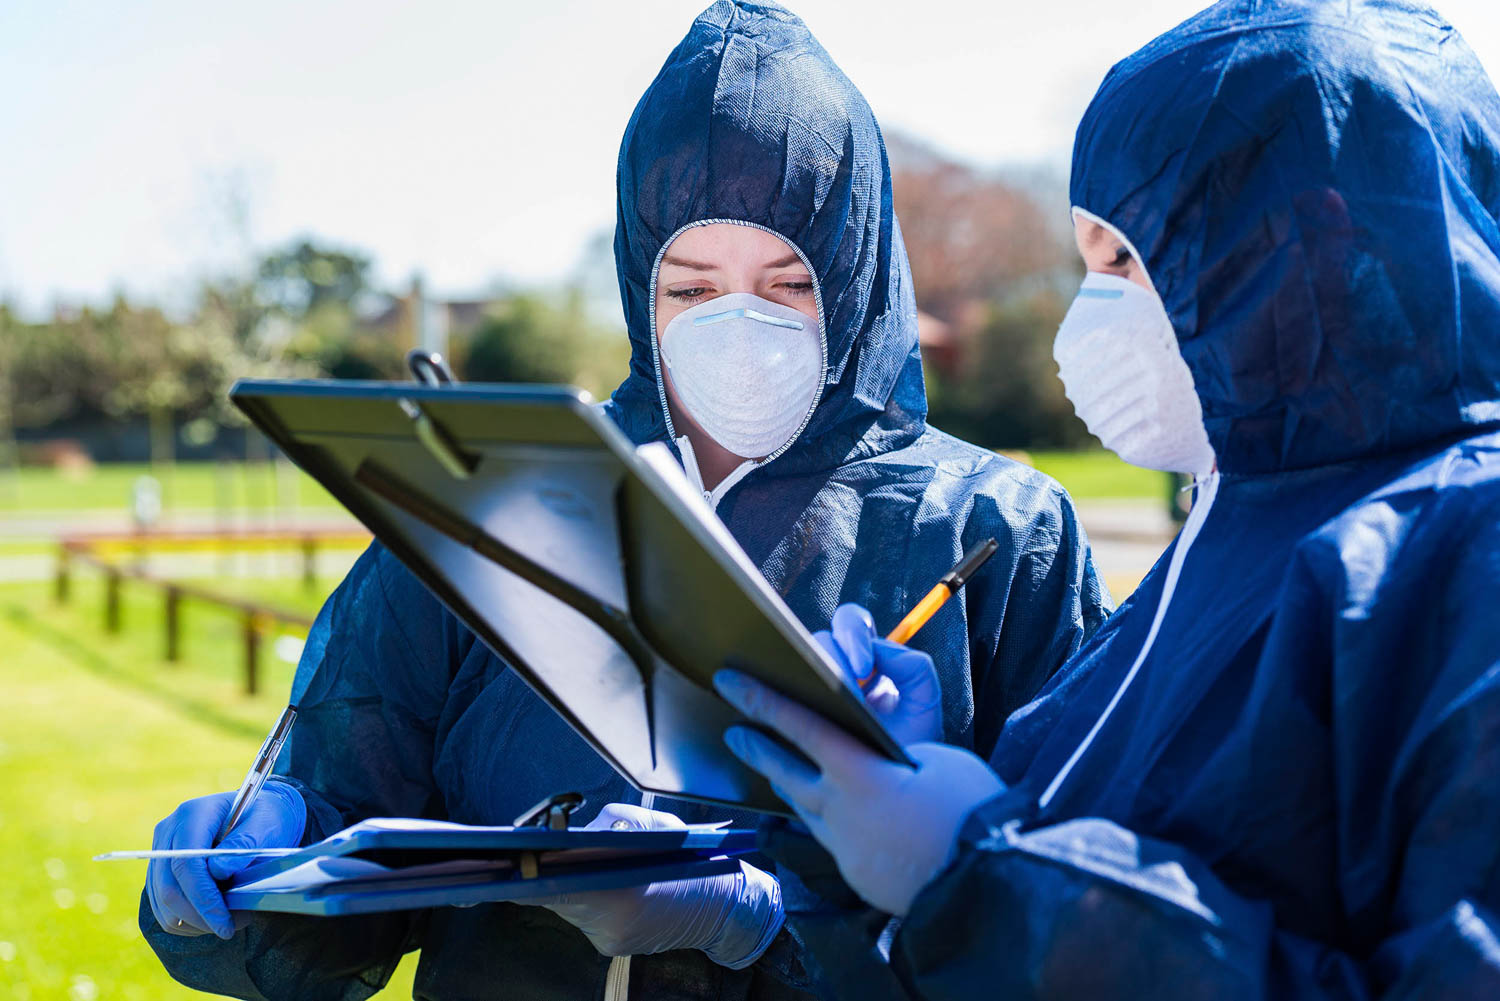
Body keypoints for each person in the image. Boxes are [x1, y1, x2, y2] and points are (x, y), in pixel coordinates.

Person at [139, 3, 1111, 999]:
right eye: (692, 289)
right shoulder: (492, 494)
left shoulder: (997, 531)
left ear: (859, 279)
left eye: (786, 285)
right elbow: (348, 834)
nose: (738, 326)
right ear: (639, 285)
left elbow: (1067, 933)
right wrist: (256, 858)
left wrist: (764, 922)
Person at [716, 0, 1500, 997]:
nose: (1094, 313)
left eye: (1128, 259)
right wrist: (931, 781)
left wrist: (977, 861)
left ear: (1308, 240)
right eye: (1087, 262)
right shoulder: (1230, 525)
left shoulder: (1464, 553)